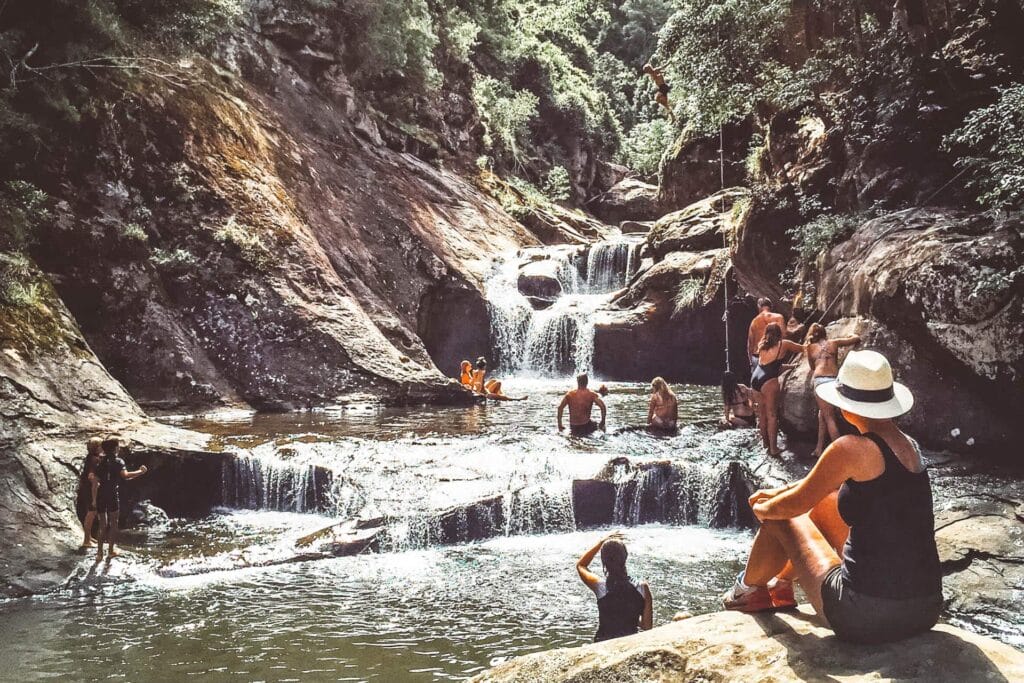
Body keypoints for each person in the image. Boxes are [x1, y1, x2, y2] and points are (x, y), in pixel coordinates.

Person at [722, 350, 942, 644]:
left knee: (783, 517)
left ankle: (746, 589)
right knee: (825, 503)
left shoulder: (851, 448)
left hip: (864, 614)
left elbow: (795, 505)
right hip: (925, 608)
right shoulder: (909, 445)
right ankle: (781, 585)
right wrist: (782, 492)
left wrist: (763, 507)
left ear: (847, 408)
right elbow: (817, 489)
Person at [576, 531, 653, 642]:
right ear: (625, 557)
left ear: (604, 560)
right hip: (629, 643)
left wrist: (601, 542)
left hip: (603, 643)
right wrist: (629, 615)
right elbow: (647, 627)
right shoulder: (642, 588)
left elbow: (581, 565)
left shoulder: (600, 587)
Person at [804, 323, 862, 457]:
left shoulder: (810, 347)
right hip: (833, 381)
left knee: (829, 417)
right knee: (823, 414)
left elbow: (812, 366)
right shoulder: (834, 342)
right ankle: (819, 449)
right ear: (825, 333)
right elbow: (855, 338)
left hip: (820, 380)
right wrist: (851, 335)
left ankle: (840, 454)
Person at [751, 322, 805, 456]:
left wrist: (789, 367)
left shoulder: (762, 345)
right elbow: (803, 348)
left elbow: (773, 366)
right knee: (772, 415)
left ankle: (765, 444)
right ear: (779, 333)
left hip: (755, 378)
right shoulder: (784, 344)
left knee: (762, 415)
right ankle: (774, 449)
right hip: (769, 380)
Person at [94, 437, 148, 562]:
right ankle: (111, 550)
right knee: (113, 524)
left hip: (101, 495)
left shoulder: (100, 462)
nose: (119, 448)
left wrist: (93, 499)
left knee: (102, 525)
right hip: (112, 494)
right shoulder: (119, 461)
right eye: (117, 446)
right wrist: (140, 471)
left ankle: (99, 553)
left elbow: (95, 483)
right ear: (115, 448)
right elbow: (125, 476)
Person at [76, 437, 103, 549]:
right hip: (91, 490)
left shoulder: (90, 457)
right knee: (91, 514)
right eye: (101, 446)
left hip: (86, 489)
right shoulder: (95, 460)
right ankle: (86, 540)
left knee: (91, 513)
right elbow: (91, 476)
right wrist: (98, 484)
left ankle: (89, 536)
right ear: (97, 448)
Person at [747, 297, 787, 372]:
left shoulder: (754, 322)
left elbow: (750, 344)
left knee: (758, 382)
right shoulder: (778, 317)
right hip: (772, 355)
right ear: (771, 306)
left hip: (757, 357)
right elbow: (784, 336)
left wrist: (751, 362)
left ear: (759, 307)